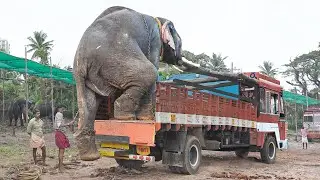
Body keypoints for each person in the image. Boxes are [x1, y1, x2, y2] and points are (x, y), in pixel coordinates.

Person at [54, 106, 74, 172]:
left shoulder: (58, 114)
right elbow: (59, 125)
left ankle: (61, 165)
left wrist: (69, 124)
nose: (63, 109)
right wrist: (68, 123)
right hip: (60, 133)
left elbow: (60, 124)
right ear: (58, 109)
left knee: (61, 150)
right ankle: (60, 167)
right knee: (61, 151)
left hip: (60, 133)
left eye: (63, 108)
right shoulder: (59, 114)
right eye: (61, 108)